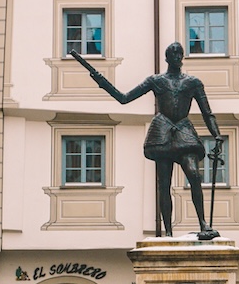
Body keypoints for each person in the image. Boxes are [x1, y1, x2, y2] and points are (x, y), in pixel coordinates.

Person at [74, 41, 222, 238]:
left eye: (180, 54)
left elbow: (207, 113)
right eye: (174, 54)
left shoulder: (193, 82)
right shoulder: (156, 80)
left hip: (184, 130)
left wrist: (217, 135)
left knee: (194, 175)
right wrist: (102, 82)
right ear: (167, 58)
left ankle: (203, 224)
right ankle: (168, 232)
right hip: (162, 132)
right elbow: (124, 98)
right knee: (164, 183)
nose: (178, 57)